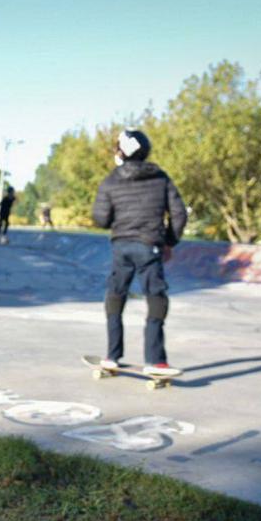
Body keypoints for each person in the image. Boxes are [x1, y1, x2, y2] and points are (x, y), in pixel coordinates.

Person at [91, 128, 187, 376]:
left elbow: (100, 218)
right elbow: (179, 213)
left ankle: (112, 355)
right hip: (150, 246)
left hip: (121, 246)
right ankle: (155, 360)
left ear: (122, 150)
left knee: (115, 296)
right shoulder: (161, 178)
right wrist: (169, 242)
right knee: (156, 298)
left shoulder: (111, 180)